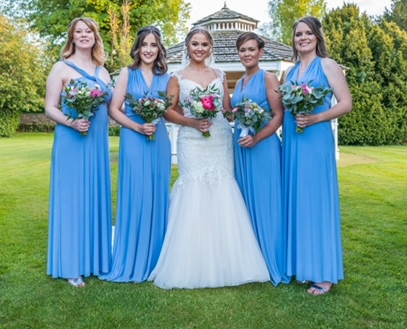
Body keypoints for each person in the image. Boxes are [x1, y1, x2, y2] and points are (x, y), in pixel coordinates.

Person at [148, 26, 270, 289]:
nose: (199, 49)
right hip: (192, 140)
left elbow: (227, 110)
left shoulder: (220, 74)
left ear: (211, 48)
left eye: (204, 44)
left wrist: (249, 114)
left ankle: (229, 260)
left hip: (219, 138)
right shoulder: (177, 77)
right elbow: (168, 112)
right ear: (187, 47)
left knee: (223, 187)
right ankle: (190, 261)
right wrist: (191, 123)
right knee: (194, 187)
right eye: (195, 44)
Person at [281, 16, 353, 295]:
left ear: (317, 37)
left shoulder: (328, 65)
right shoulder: (290, 72)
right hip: (293, 140)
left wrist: (318, 117)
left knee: (317, 202)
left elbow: (346, 104)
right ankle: (305, 266)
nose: (303, 38)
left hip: (315, 139)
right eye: (298, 34)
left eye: (308, 33)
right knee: (298, 201)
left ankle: (323, 274)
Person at [45, 17, 113, 287]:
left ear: (96, 36)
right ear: (72, 37)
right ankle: (72, 266)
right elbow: (50, 107)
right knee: (72, 200)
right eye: (79, 32)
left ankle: (96, 261)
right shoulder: (60, 68)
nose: (84, 35)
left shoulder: (103, 71)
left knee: (94, 196)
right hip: (72, 140)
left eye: (89, 31)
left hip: (97, 142)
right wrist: (72, 122)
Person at [100, 26, 172, 282]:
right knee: (137, 193)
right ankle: (131, 256)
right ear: (138, 49)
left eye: (154, 45)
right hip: (133, 137)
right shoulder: (127, 74)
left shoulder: (167, 77)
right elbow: (114, 109)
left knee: (157, 193)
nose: (149, 50)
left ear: (159, 49)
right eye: (145, 45)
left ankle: (157, 258)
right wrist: (137, 126)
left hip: (159, 140)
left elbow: (172, 111)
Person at [232, 32, 287, 286]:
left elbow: (278, 116)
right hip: (242, 148)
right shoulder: (240, 81)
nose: (247, 54)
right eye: (243, 50)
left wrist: (258, 138)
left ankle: (273, 259)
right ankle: (253, 260)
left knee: (267, 202)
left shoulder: (269, 78)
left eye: (251, 49)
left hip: (263, 148)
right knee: (246, 201)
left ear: (261, 52)